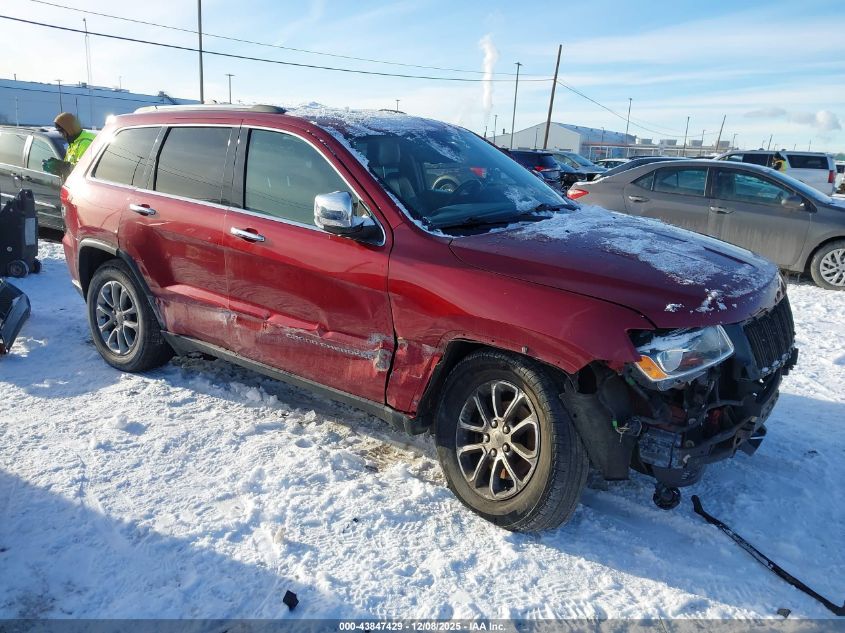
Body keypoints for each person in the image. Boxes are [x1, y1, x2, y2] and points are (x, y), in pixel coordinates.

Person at [42, 112, 96, 179]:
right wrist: (55, 168)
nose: (61, 135)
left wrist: (60, 166)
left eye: (61, 132)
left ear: (68, 130)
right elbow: (69, 168)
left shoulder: (85, 143)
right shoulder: (73, 143)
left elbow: (82, 170)